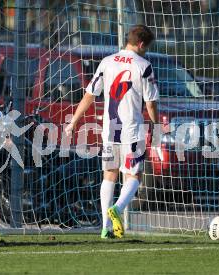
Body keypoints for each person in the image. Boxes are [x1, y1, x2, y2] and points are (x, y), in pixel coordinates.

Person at [65, 25, 159, 239]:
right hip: (132, 130)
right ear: (141, 44)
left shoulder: (107, 62)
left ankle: (105, 228)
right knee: (134, 175)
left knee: (109, 174)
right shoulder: (143, 65)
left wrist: (73, 122)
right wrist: (155, 126)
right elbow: (151, 103)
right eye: (147, 47)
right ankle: (117, 209)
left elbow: (89, 95)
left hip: (109, 129)